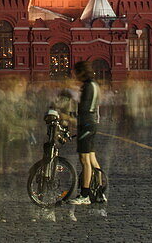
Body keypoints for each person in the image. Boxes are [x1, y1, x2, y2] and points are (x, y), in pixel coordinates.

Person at [68, 61, 104, 205]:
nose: (75, 75)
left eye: (77, 72)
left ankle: (85, 194)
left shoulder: (88, 86)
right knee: (92, 158)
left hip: (86, 124)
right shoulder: (94, 84)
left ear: (82, 72)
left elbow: (84, 108)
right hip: (92, 122)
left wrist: (69, 117)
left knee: (85, 160)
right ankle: (99, 191)